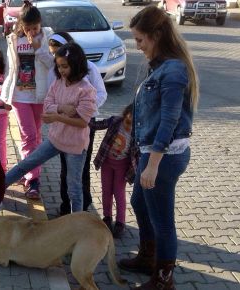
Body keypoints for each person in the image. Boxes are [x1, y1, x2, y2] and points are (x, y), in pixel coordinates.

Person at [118, 6, 199, 290]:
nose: (138, 46)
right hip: (151, 151)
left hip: (164, 156)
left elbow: (169, 120)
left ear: (156, 35)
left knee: (163, 219)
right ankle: (148, 257)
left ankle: (164, 279)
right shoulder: (162, 66)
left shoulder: (174, 70)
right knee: (139, 202)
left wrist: (152, 164)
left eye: (140, 40)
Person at [5, 43, 96, 212]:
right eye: (59, 66)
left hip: (75, 146)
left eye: (65, 66)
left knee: (74, 188)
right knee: (26, 163)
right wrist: (62, 109)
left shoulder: (86, 90)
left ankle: (77, 221)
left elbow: (83, 122)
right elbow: (47, 104)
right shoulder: (58, 82)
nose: (61, 70)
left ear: (76, 65)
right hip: (55, 139)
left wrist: (56, 116)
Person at [46, 31, 108, 214]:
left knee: (81, 167)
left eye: (58, 50)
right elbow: (52, 98)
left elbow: (101, 93)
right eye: (53, 53)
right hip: (63, 125)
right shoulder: (56, 70)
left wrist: (84, 110)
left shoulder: (90, 68)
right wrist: (61, 109)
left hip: (84, 123)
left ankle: (83, 205)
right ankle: (66, 205)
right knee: (65, 168)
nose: (56, 58)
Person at [0, 1, 54, 199]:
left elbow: (53, 65)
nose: (32, 31)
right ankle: (33, 179)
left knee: (36, 135)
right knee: (28, 136)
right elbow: (11, 68)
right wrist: (6, 94)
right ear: (21, 25)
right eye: (28, 28)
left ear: (40, 24)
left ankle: (29, 171)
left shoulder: (47, 36)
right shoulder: (13, 38)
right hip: (20, 95)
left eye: (35, 27)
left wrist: (39, 48)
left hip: (40, 95)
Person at [89, 104, 136, 239]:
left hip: (122, 166)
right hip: (107, 162)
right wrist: (85, 118)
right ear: (124, 115)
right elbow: (98, 125)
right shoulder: (115, 121)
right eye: (128, 121)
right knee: (106, 191)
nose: (129, 125)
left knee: (119, 193)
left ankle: (120, 222)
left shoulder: (138, 131)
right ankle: (107, 218)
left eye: (133, 123)